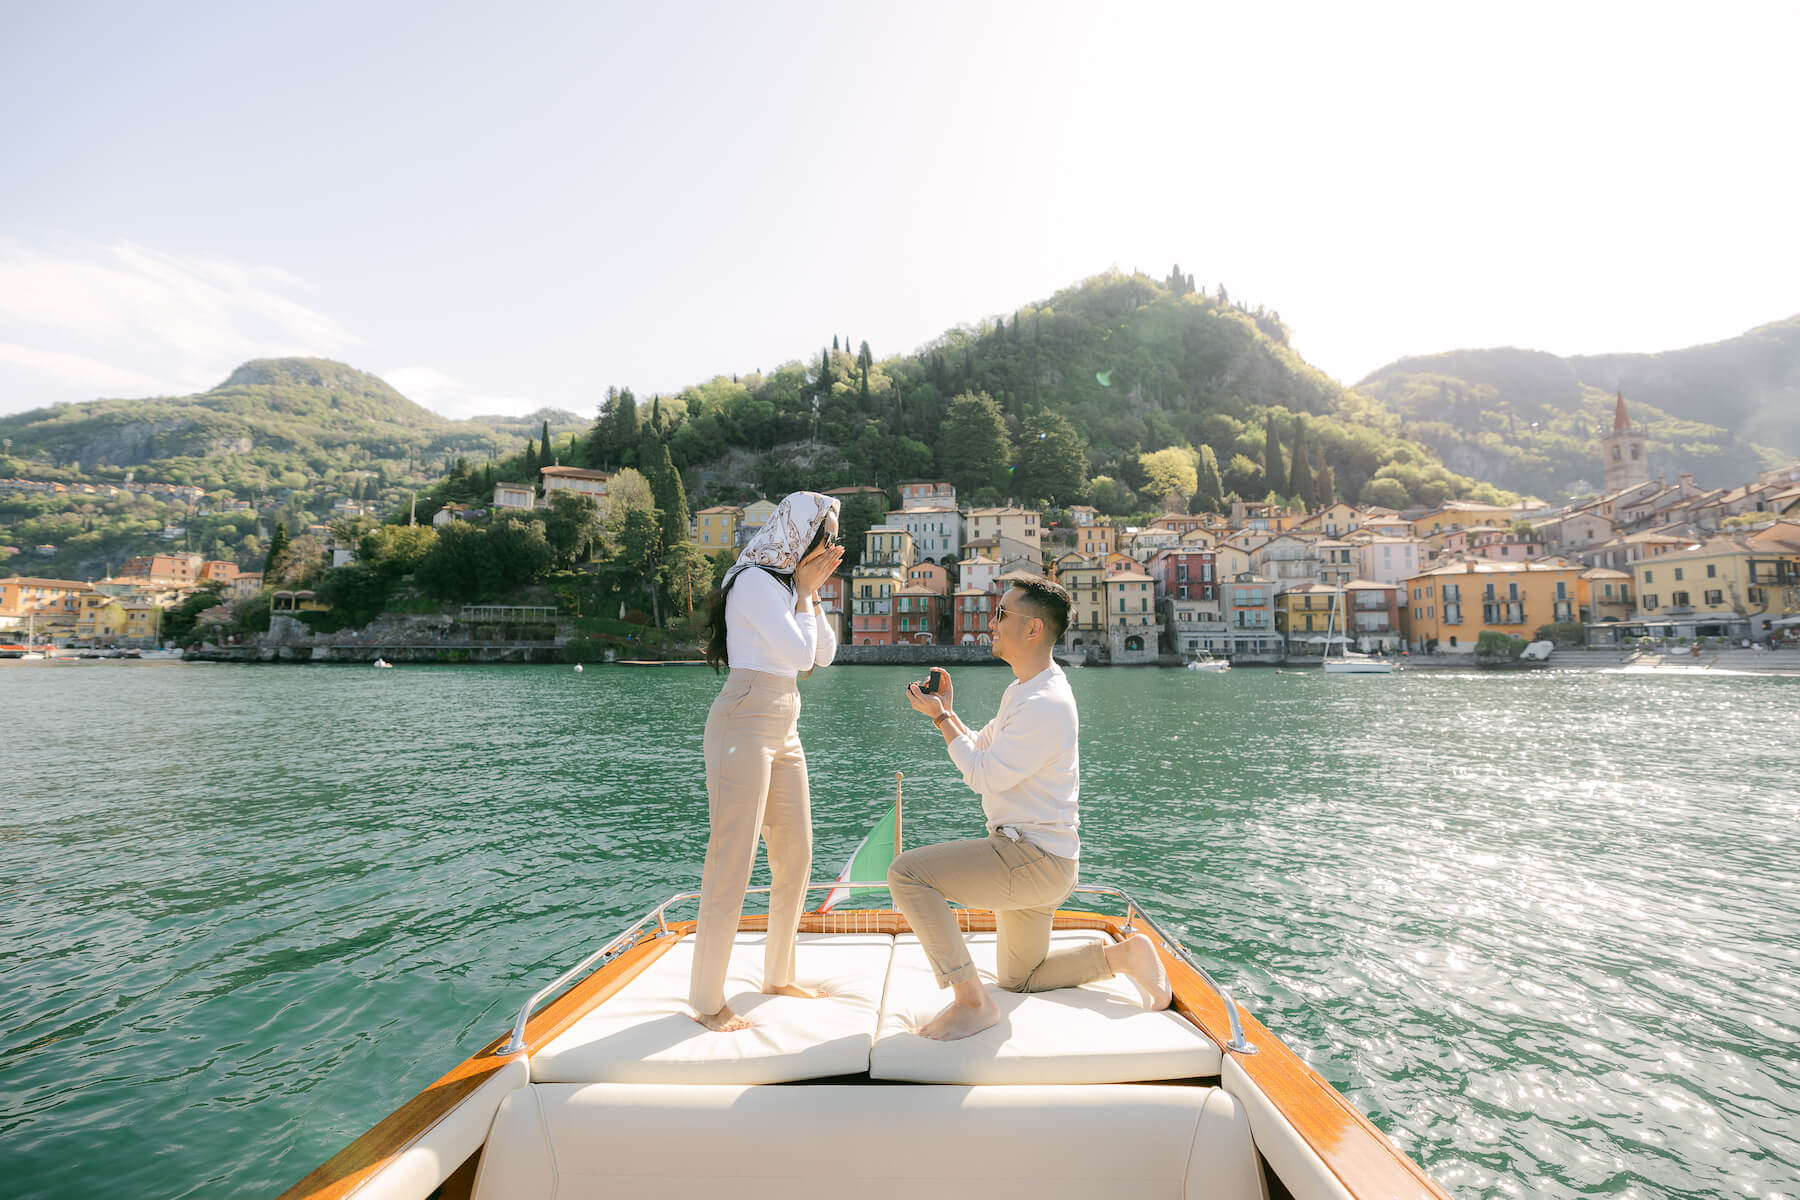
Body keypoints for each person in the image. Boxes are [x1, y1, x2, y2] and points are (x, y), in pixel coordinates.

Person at [891, 575, 1171, 1041]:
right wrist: (949, 710)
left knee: (907, 874)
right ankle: (1124, 956)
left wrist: (940, 719)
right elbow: (982, 746)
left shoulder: (1044, 703)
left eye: (1001, 614)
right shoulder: (1026, 690)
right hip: (1039, 858)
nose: (991, 622)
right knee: (1020, 978)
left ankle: (971, 1003)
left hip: (1031, 859)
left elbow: (983, 774)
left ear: (1034, 629)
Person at [688, 492, 845, 1032]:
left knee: (796, 856)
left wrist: (813, 595)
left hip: (785, 726)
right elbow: (803, 659)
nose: (826, 549)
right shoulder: (754, 581)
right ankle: (707, 999)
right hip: (744, 719)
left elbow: (824, 653)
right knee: (732, 860)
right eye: (821, 539)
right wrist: (803, 591)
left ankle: (777, 976)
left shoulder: (785, 588)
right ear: (796, 537)